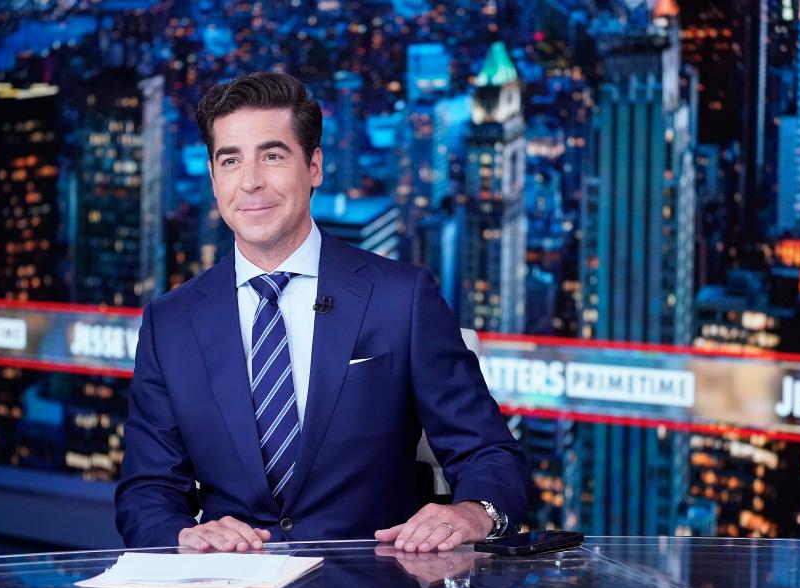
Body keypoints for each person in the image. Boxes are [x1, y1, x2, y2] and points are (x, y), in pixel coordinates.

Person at [115, 71, 529, 553]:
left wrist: (474, 511)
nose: (250, 182)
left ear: (314, 167)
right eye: (231, 160)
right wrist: (183, 535)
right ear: (212, 177)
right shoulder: (171, 323)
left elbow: (490, 451)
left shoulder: (401, 298)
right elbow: (147, 491)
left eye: (272, 156)